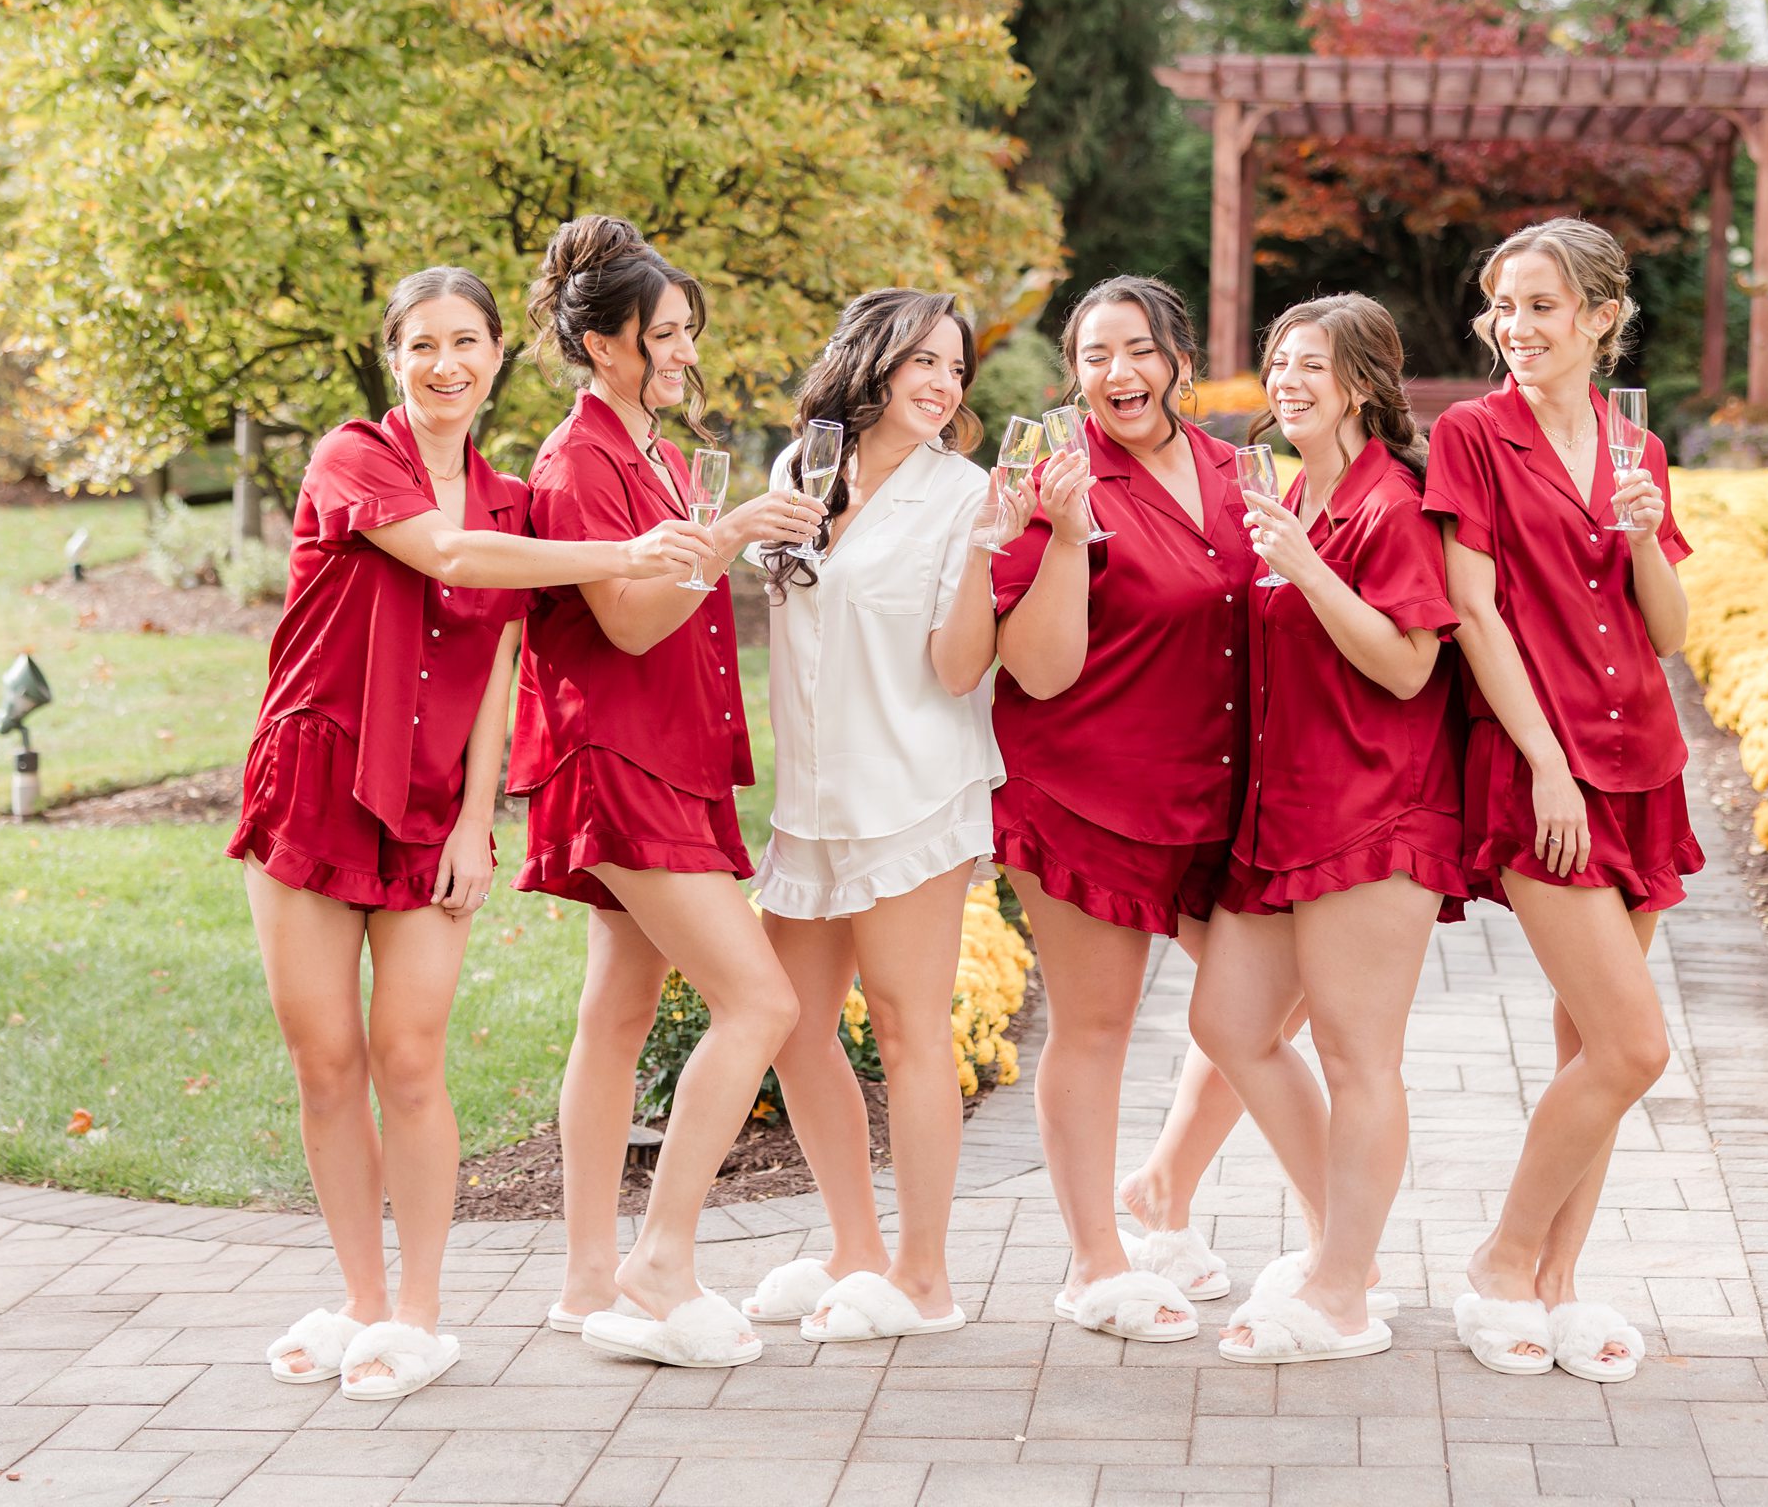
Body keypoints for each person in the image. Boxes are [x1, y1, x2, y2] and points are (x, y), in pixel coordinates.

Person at [237, 267, 716, 1401]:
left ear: (498, 354)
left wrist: (474, 820)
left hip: (430, 810)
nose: (445, 364)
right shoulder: (352, 455)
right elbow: (449, 558)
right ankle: (361, 1300)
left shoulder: (512, 497)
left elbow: (504, 663)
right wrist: (626, 552)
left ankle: (417, 1312)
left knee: (409, 1056)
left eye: (467, 342)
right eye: (423, 345)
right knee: (327, 1062)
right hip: (311, 781)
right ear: (392, 357)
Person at [510, 216, 823, 1369]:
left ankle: (591, 1273)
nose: (687, 351)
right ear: (604, 346)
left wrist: (723, 534)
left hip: (667, 757)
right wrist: (730, 532)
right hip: (619, 759)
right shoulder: (578, 461)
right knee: (763, 1003)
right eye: (666, 334)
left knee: (618, 1013)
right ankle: (661, 1261)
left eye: (690, 330)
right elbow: (631, 619)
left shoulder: (651, 450)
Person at [1423, 217, 1699, 1383]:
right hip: (1544, 767)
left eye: (1541, 306)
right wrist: (1540, 759)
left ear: (1598, 317)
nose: (1515, 328)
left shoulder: (1636, 444)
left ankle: (1557, 1283)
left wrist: (1645, 542)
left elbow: (1671, 634)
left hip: (1646, 759)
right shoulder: (1471, 434)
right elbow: (1474, 613)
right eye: (1504, 306)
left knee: (1591, 1040)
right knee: (1637, 1045)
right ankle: (1501, 1259)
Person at [1188, 293, 1468, 1365]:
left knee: (1359, 1057)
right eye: (1276, 364)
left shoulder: (1389, 503)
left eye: (1308, 365)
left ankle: (1343, 1290)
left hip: (1377, 810)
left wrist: (1305, 564)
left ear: (1359, 384)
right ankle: (1342, 1241)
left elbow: (1408, 663)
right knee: (1230, 1023)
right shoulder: (1294, 487)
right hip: (1285, 811)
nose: (1285, 382)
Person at [737, 289, 1012, 1342]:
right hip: (810, 802)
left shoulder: (963, 493)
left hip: (913, 793)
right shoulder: (800, 468)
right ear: (875, 361)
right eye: (926, 362)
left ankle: (926, 1277)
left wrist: (987, 549)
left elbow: (954, 666)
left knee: (907, 1032)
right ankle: (856, 1251)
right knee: (794, 1028)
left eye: (957, 369)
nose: (944, 385)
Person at [990, 275, 1255, 1342]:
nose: (1119, 374)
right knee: (1094, 1026)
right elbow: (1034, 669)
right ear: (1074, 374)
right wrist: (1058, 533)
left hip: (1225, 791)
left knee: (1263, 1010)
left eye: (1139, 350)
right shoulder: (1047, 480)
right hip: (1082, 786)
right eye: (1096, 355)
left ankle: (1162, 1190)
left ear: (1180, 362)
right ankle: (1093, 1263)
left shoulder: (1241, 470)